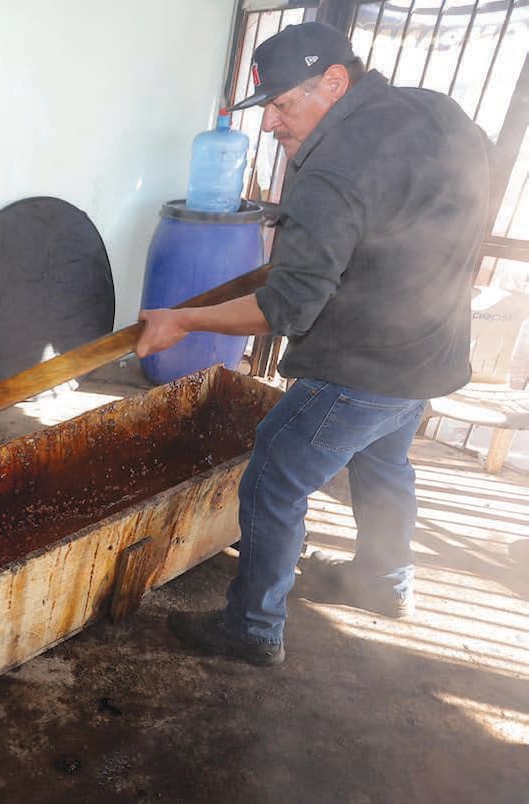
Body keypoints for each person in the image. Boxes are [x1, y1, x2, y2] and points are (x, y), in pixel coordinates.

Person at [136, 22, 490, 667]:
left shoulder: (330, 169)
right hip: (432, 348)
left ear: (334, 80)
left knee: (274, 474)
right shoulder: (432, 110)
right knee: (384, 465)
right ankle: (384, 584)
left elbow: (288, 307)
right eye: (266, 106)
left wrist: (184, 323)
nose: (271, 122)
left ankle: (251, 627)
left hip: (365, 362)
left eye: (281, 103)